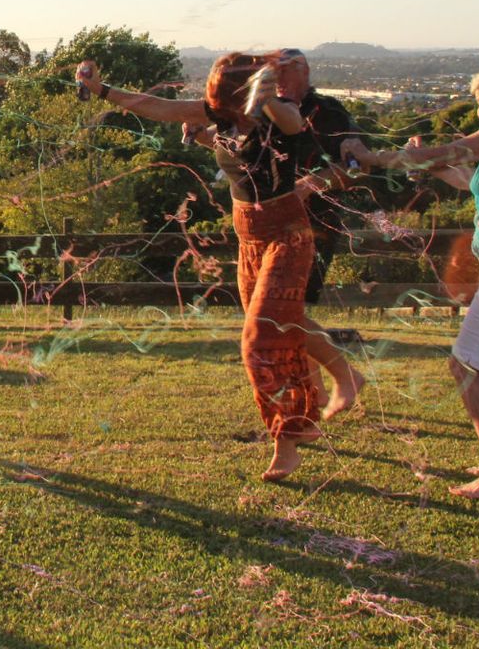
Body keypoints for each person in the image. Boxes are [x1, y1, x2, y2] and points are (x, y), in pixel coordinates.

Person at [77, 52, 321, 481]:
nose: (214, 107)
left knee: (259, 338)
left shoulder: (279, 110)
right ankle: (305, 417)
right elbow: (158, 107)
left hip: (287, 234)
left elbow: (292, 125)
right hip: (248, 235)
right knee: (281, 331)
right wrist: (101, 90)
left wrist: (264, 98)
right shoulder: (222, 116)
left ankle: (286, 441)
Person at [342, 58, 479, 500]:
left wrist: (371, 157)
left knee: (464, 366)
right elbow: (467, 178)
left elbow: (448, 152)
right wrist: (428, 166)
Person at [274, 49, 367, 418]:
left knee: (285, 309)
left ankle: (342, 378)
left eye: (289, 69)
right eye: (275, 70)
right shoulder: (268, 111)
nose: (280, 76)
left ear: (306, 72)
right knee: (288, 311)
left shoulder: (329, 113)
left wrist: (311, 184)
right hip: (276, 223)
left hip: (317, 225)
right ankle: (315, 392)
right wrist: (205, 137)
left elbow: (356, 168)